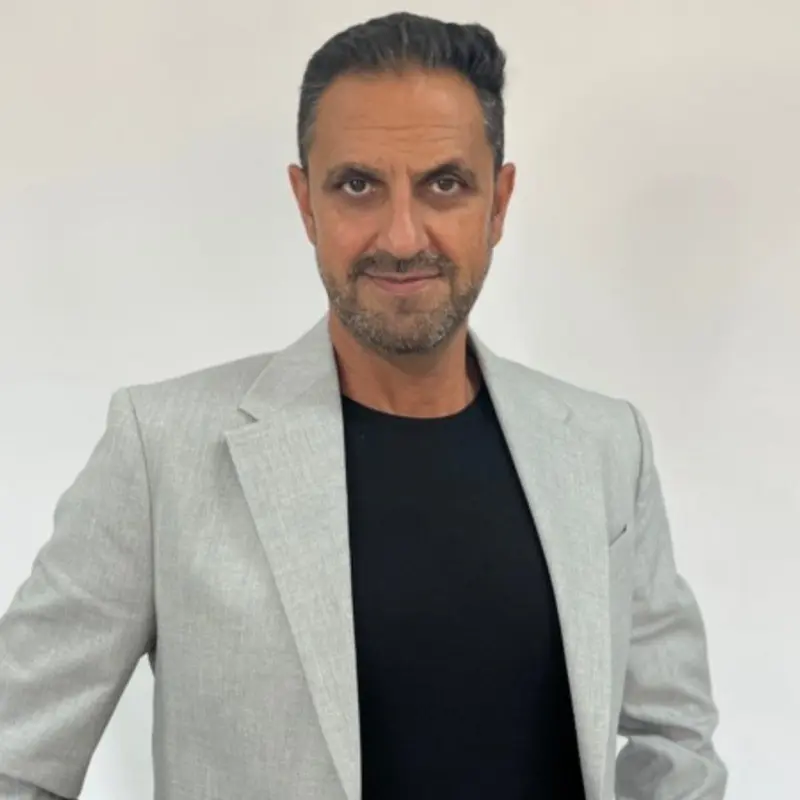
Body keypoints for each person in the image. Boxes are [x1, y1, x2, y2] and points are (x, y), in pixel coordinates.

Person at [0, 11, 727, 800]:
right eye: (358, 186)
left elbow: (675, 740)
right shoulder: (161, 450)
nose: (403, 237)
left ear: (499, 202)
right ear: (305, 202)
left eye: (444, 184)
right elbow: (15, 753)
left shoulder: (604, 445)